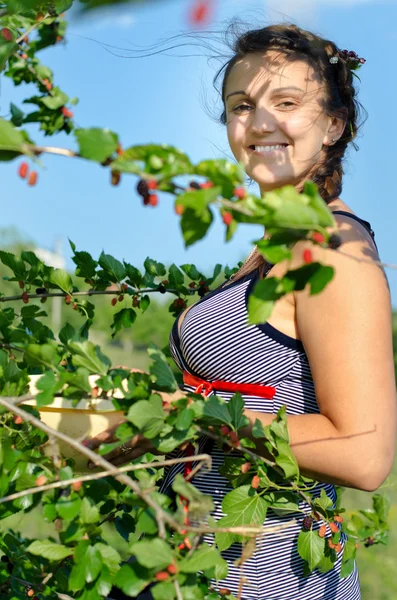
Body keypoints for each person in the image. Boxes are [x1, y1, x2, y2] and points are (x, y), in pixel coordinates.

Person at [86, 23, 396, 600]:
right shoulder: (273, 245)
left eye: (287, 103)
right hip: (200, 568)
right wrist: (150, 404)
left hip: (271, 580)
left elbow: (364, 451)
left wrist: (192, 411)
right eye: (242, 105)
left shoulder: (333, 249)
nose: (260, 123)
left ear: (334, 124)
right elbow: (250, 394)